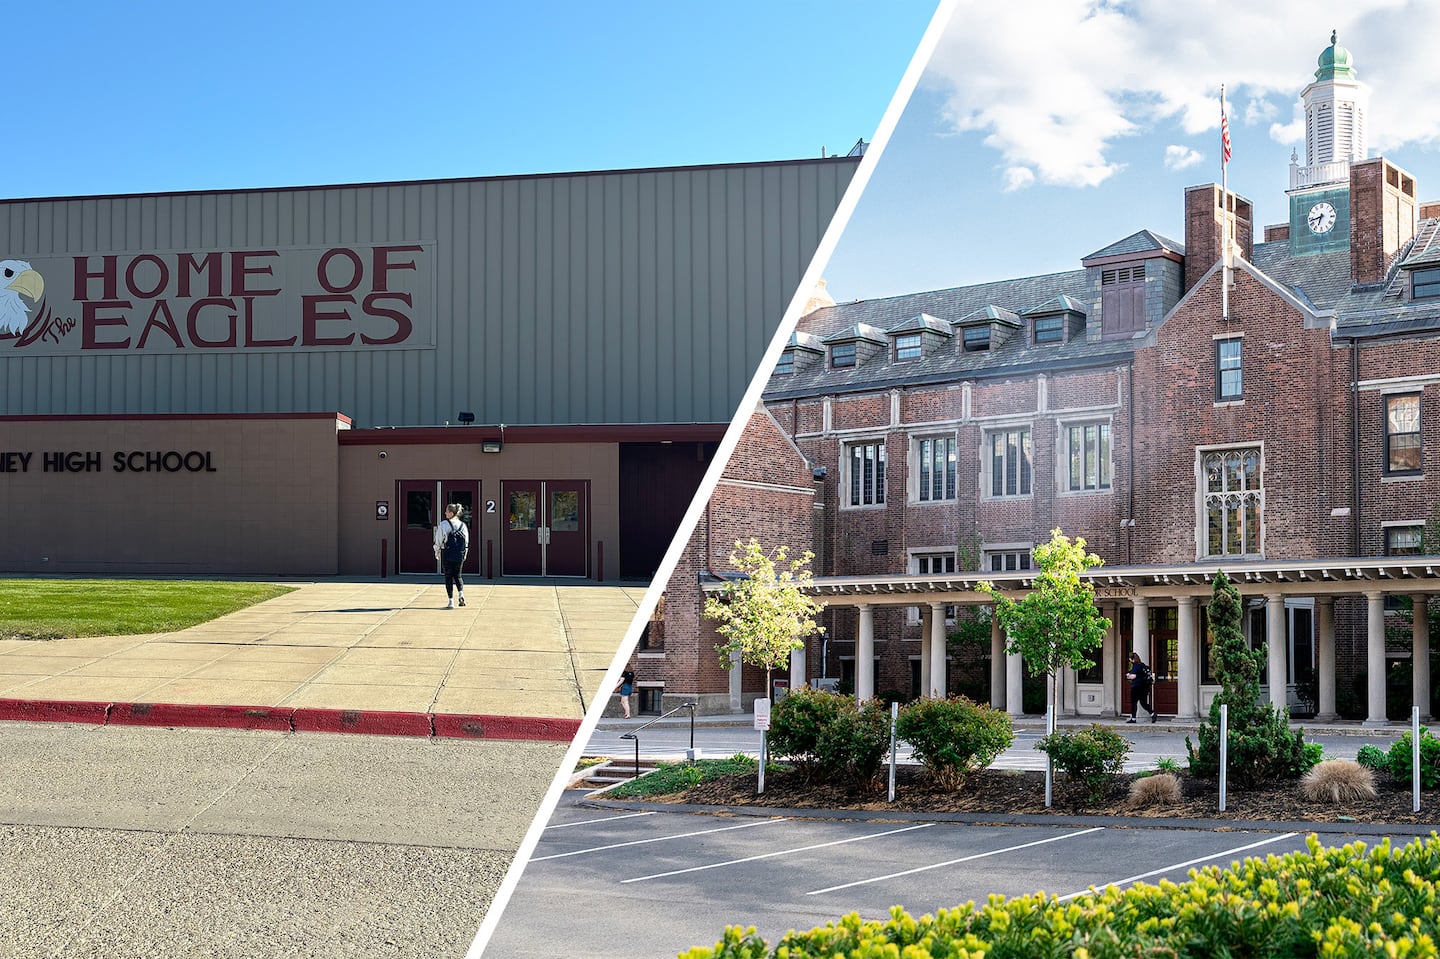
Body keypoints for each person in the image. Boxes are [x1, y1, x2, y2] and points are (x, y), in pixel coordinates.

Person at [433, 503, 469, 609]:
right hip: (459, 554)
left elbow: (439, 539)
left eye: (446, 511)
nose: (445, 513)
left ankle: (451, 601)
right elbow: (466, 541)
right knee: (458, 575)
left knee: (448, 576)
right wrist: (465, 554)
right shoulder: (463, 525)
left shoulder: (444, 524)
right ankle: (461, 594)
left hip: (447, 553)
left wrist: (437, 551)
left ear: (451, 513)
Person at [1126, 651, 1155, 723]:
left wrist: (1128, 675)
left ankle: (1133, 718)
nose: (1129, 661)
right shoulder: (1143, 665)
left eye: (1130, 659)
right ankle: (1153, 714)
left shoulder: (1136, 666)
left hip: (1136, 687)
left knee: (1133, 703)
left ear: (1132, 659)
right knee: (1144, 703)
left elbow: (1134, 676)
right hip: (1144, 688)